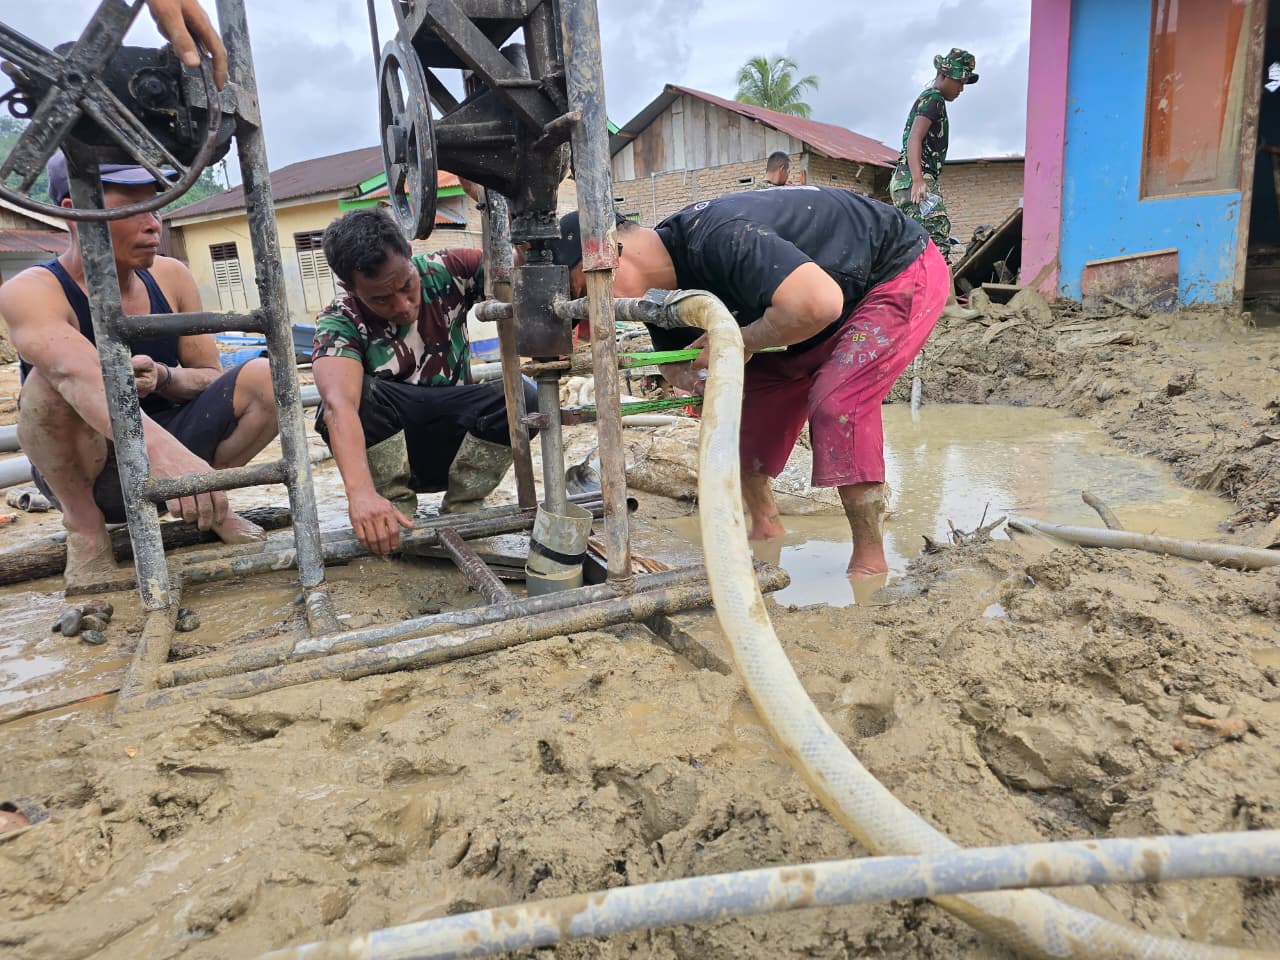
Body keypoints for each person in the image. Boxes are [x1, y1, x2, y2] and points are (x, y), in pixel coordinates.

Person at [550, 187, 948, 579]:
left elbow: (817, 304)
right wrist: (705, 381)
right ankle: (765, 526)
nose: (595, 319)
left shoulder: (719, 235)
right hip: (813, 312)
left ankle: (869, 561)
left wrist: (736, 341)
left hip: (894, 272)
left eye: (588, 293)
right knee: (741, 403)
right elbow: (683, 365)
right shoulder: (661, 294)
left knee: (838, 401)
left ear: (610, 253)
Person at [0, 152, 278, 591]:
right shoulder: (30, 291)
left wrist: (165, 378)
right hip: (88, 472)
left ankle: (207, 505)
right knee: (47, 382)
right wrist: (165, 456)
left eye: (154, 205)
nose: (154, 223)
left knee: (266, 376)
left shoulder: (172, 276)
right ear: (75, 213)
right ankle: (86, 530)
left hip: (178, 457)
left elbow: (210, 374)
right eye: (132, 207)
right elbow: (72, 374)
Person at [311, 207, 536, 556]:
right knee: (355, 398)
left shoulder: (450, 270)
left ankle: (464, 506)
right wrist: (360, 494)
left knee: (525, 394)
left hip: (459, 437)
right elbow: (339, 408)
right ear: (350, 288)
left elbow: (519, 271)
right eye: (381, 299)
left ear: (409, 255)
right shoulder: (341, 319)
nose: (402, 306)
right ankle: (389, 509)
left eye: (406, 285)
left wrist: (509, 216)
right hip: (398, 449)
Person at [889, 48, 978, 259]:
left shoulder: (929, 99)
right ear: (943, 75)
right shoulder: (934, 98)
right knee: (936, 240)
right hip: (915, 178)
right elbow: (914, 138)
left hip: (905, 179)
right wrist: (919, 180)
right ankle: (941, 292)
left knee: (914, 245)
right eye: (959, 82)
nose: (961, 89)